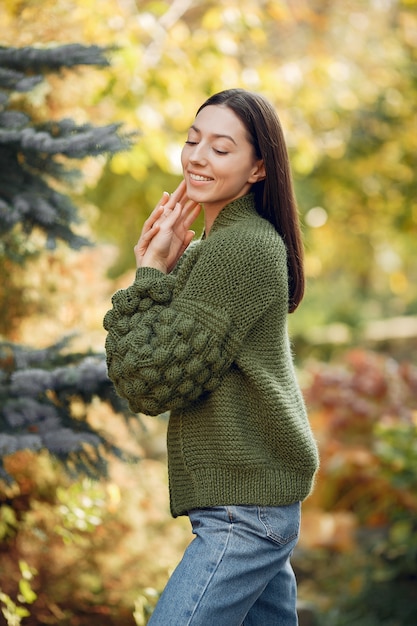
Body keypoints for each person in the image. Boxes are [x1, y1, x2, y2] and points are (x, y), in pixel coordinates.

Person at [103, 88, 319, 625]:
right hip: (247, 505)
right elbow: (149, 356)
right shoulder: (208, 249)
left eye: (221, 149)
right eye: (192, 140)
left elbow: (148, 379)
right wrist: (155, 267)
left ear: (258, 168)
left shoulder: (241, 248)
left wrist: (150, 275)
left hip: (244, 515)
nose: (198, 156)